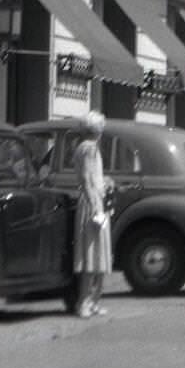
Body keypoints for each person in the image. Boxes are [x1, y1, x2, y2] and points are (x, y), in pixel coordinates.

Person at [72, 111, 112, 319]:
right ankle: (86, 302)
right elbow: (87, 180)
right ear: (97, 130)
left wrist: (104, 183)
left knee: (96, 256)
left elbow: (91, 177)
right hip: (92, 202)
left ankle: (93, 301)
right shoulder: (90, 149)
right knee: (93, 257)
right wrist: (96, 206)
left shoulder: (83, 147)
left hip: (93, 199)